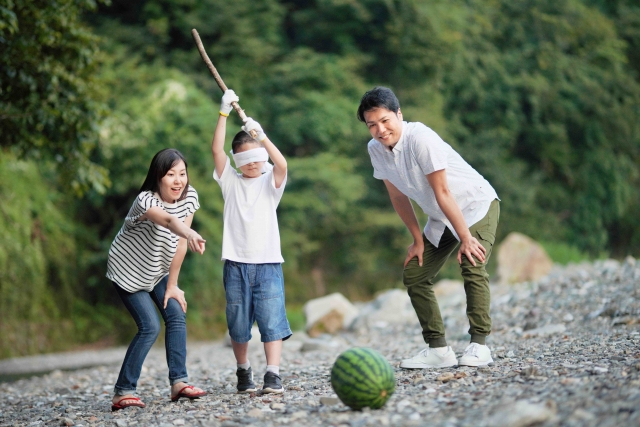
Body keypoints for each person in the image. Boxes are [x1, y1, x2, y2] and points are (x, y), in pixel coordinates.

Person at [358, 87, 500, 369]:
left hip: (474, 204)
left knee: (472, 262)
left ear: (399, 114)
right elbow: (397, 195)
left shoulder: (420, 140)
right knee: (414, 274)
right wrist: (416, 239)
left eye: (385, 120)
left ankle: (480, 345)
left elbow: (444, 192)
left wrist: (466, 238)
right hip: (440, 215)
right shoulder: (376, 149)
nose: (380, 129)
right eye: (372, 124)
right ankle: (439, 350)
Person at [106, 148, 208, 411]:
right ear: (158, 177)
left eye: (182, 174)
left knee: (175, 314)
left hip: (157, 271)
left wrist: (173, 285)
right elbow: (168, 220)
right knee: (150, 326)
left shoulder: (190, 197)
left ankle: (179, 383)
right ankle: (123, 391)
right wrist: (190, 232)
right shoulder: (145, 201)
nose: (178, 180)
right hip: (127, 270)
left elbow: (180, 245)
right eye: (170, 174)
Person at [210, 89, 292, 394]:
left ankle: (273, 373)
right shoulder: (230, 181)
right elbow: (217, 151)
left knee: (272, 320)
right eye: (246, 159)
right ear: (238, 160)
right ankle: (244, 370)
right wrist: (223, 113)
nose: (253, 164)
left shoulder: (271, 182)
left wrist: (263, 136)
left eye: (258, 157)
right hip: (236, 263)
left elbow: (282, 165)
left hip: (268, 262)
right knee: (239, 324)